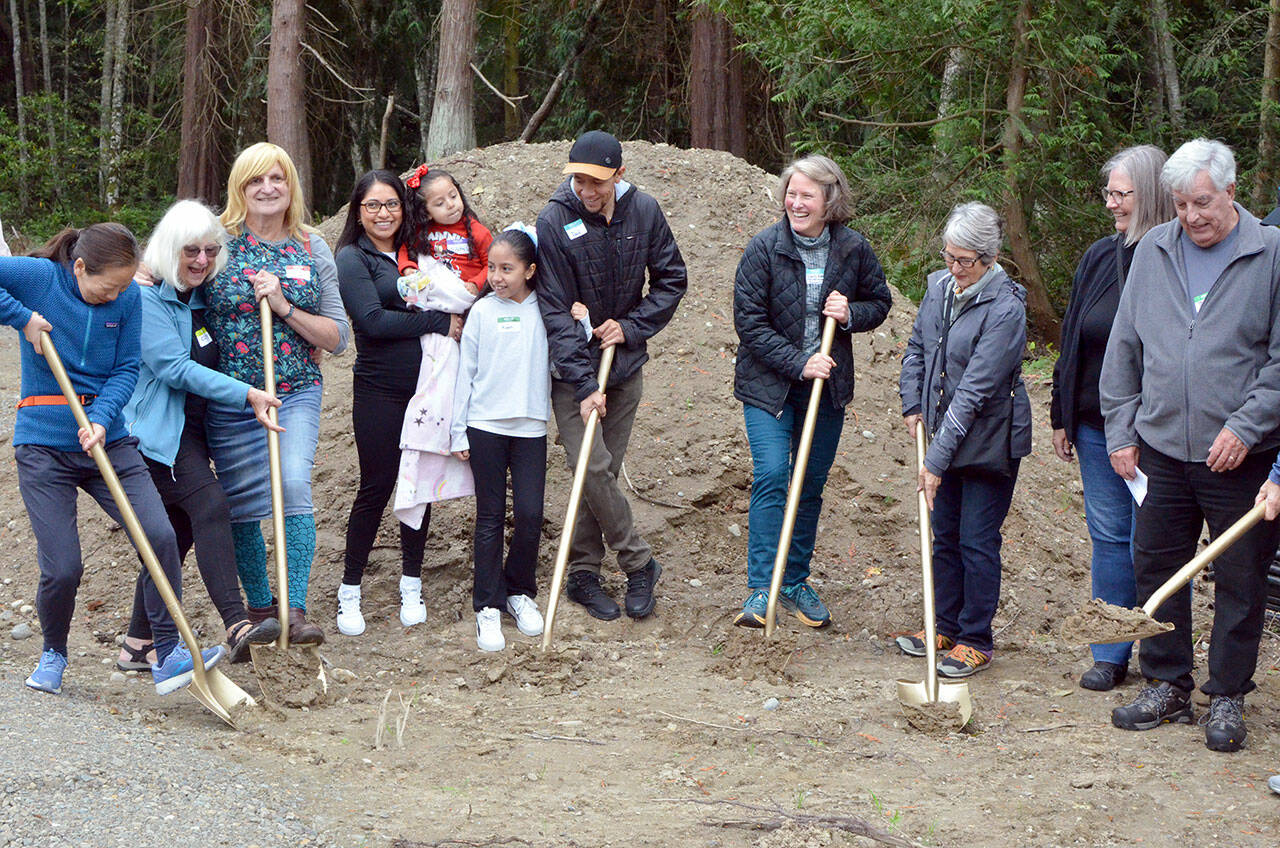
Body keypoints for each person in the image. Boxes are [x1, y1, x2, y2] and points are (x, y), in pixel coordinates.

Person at [1101, 138, 1280, 752]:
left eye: (1202, 203)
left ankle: (1227, 692)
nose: (1192, 217)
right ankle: (1167, 682)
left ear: (1232, 192)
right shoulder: (1154, 248)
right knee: (1158, 567)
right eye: (1180, 205)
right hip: (1161, 453)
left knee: (1240, 576)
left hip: (1239, 456)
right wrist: (1122, 430)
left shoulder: (1272, 254)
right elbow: (1124, 346)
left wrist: (1246, 427)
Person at [1, 223, 225, 695]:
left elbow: (126, 368)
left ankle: (167, 654)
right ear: (80, 267)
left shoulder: (126, 299)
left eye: (124, 287)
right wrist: (20, 317)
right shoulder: (40, 278)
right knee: (63, 566)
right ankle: (53, 652)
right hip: (43, 443)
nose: (117, 297)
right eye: (109, 287)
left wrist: (102, 419)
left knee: (159, 536)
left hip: (107, 439)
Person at [118, 200, 284, 669]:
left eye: (211, 251)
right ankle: (237, 623)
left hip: (190, 434)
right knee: (210, 506)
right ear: (170, 248)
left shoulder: (201, 295)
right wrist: (248, 394)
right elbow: (173, 367)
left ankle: (137, 644)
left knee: (175, 535)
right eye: (191, 251)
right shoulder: (145, 297)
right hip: (153, 438)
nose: (201, 261)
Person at [731, 155, 891, 628]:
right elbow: (750, 326)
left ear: (829, 201)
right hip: (769, 387)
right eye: (791, 193)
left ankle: (795, 579)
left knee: (809, 486)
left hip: (828, 391)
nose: (796, 203)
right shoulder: (763, 249)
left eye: (807, 195)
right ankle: (762, 588)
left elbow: (879, 302)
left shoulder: (853, 249)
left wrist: (850, 315)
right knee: (775, 476)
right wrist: (800, 362)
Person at [536, 130, 688, 620]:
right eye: (579, 180)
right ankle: (639, 562)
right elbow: (556, 311)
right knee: (592, 466)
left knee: (594, 477)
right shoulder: (555, 220)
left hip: (624, 367)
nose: (586, 190)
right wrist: (583, 385)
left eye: (597, 182)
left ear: (620, 175)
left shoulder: (643, 212)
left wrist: (630, 327)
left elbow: (671, 280)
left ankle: (582, 572)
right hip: (572, 373)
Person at [203, 142, 350, 646]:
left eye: (277, 179)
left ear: (291, 185)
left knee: (292, 486)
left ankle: (295, 608)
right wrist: (144, 271)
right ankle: (260, 607)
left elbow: (337, 337)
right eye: (254, 181)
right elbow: (172, 285)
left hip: (295, 391)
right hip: (233, 395)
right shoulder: (216, 242)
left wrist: (285, 306)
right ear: (239, 190)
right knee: (242, 502)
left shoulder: (312, 246)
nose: (267, 189)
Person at [1050, 146, 1173, 691]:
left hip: (1155, 432)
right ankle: (1110, 651)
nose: (1111, 205)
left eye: (1121, 195)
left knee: (1155, 542)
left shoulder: (1172, 258)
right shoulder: (1099, 257)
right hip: (1095, 427)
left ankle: (1164, 660)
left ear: (1147, 195)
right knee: (1108, 537)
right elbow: (1073, 337)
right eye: (1109, 194)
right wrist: (1062, 412)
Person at [897, 202, 1032, 678]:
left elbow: (975, 392)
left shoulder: (1006, 309)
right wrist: (913, 403)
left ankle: (976, 638)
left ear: (990, 258)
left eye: (964, 261)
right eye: (948, 257)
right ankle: (943, 625)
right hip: (943, 430)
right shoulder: (939, 287)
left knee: (976, 539)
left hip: (989, 438)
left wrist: (933, 462)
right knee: (944, 536)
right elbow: (917, 348)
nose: (953, 269)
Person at [334, 170, 464, 635]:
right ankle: (349, 590)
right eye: (373, 206)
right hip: (380, 391)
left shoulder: (423, 249)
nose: (383, 214)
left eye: (391, 204)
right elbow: (371, 320)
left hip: (430, 387)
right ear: (359, 211)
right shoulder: (352, 257)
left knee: (420, 484)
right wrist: (437, 321)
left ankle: (412, 582)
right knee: (377, 485)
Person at [451, 225, 549, 651]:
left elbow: (571, 348)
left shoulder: (548, 309)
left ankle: (518, 592)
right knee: (490, 516)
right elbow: (465, 372)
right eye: (492, 267)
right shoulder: (483, 312)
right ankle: (487, 605)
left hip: (530, 428)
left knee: (529, 515)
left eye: (507, 269)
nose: (497, 277)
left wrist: (583, 324)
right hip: (485, 425)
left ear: (530, 270)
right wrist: (458, 428)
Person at [400, 164, 493, 291]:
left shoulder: (478, 231)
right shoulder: (421, 233)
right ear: (426, 213)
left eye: (453, 196)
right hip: (437, 292)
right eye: (440, 203)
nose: (450, 205)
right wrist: (408, 267)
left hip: (469, 293)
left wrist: (476, 284)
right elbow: (405, 248)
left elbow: (493, 265)